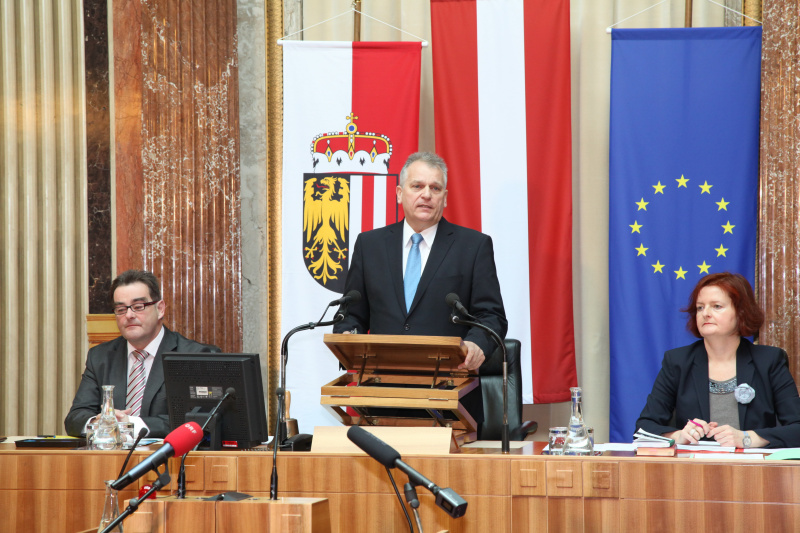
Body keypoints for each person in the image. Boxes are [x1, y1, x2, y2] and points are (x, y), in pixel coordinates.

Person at [333, 151, 508, 423]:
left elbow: (492, 315)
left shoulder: (473, 246)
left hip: (451, 397)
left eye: (435, 188)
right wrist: (347, 336)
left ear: (445, 198)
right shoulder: (369, 245)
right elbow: (352, 312)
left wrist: (476, 343)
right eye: (417, 186)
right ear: (400, 193)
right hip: (381, 398)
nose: (426, 194)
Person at [636, 272, 800, 448]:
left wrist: (746, 438)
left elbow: (797, 428)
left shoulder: (769, 361)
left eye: (717, 306)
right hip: (693, 471)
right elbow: (644, 428)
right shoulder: (677, 361)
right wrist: (679, 436)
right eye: (700, 307)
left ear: (741, 313)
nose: (705, 313)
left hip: (754, 471)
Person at [65, 270, 219, 438]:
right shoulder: (100, 357)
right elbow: (75, 418)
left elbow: (199, 420)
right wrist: (100, 422)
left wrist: (131, 424)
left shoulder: (195, 356)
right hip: (110, 460)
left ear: (160, 309)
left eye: (138, 307)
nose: (129, 315)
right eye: (121, 309)